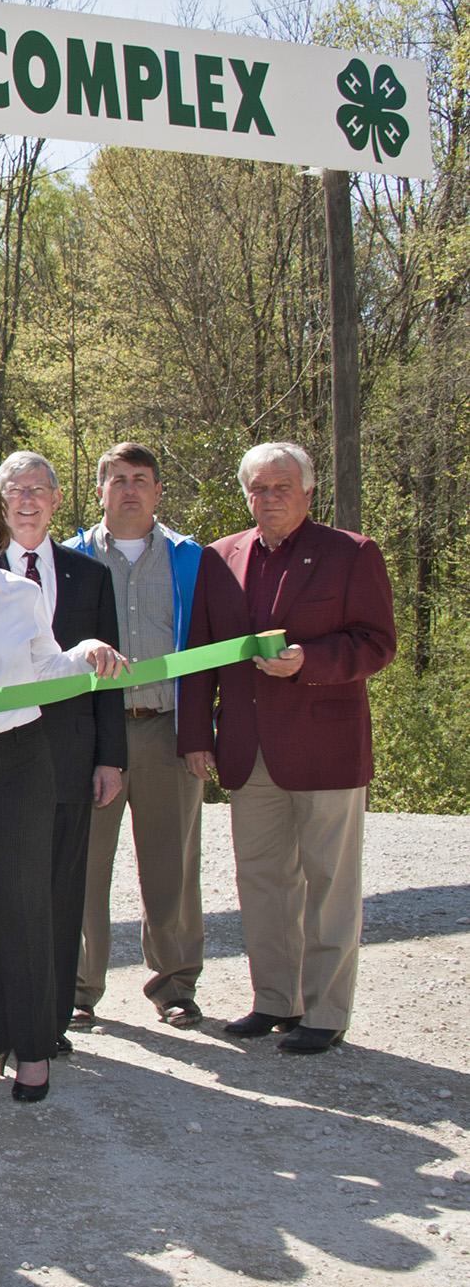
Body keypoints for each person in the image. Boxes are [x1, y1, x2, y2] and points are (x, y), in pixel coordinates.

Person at [179, 442, 395, 1054]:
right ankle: (276, 1000)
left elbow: (377, 643)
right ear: (246, 495)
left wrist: (311, 662)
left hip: (326, 747)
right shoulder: (221, 558)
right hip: (249, 750)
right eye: (259, 489)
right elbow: (201, 658)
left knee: (329, 883)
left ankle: (325, 1012)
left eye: (281, 487)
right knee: (263, 880)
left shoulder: (351, 554)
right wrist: (197, 735)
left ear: (307, 491)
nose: (269, 499)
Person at [0, 466, 124, 1104]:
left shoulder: (20, 594)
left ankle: (33, 1047)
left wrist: (88, 648)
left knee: (24, 903)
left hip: (20, 762)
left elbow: (47, 668)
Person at [65, 442, 213, 1030]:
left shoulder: (191, 560)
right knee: (82, 864)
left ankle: (175, 985)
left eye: (141, 479)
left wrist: (202, 731)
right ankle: (77, 989)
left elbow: (208, 655)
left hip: (165, 730)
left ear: (157, 490)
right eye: (117, 478)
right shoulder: (70, 559)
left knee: (171, 864)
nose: (129, 488)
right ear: (98, 489)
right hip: (91, 735)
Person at [0, 451, 128, 1048]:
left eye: (38, 490)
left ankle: (48, 1023)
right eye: (15, 490)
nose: (26, 500)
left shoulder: (90, 575)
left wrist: (111, 757)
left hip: (71, 757)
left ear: (55, 501)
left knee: (60, 888)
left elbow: (109, 677)